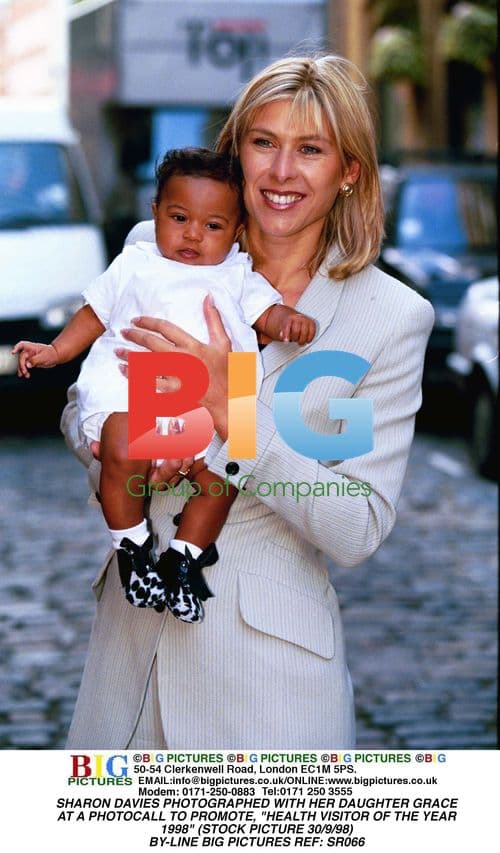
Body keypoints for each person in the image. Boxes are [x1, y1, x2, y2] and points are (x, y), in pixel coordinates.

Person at [61, 54, 434, 749]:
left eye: (311, 149)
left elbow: (356, 525)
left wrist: (230, 410)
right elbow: (86, 393)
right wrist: (123, 449)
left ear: (349, 171)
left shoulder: (387, 317)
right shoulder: (160, 248)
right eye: (264, 142)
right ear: (237, 152)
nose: (281, 171)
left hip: (268, 691)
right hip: (127, 672)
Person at [13, 148, 314, 624]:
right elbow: (93, 314)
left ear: (237, 231)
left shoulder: (237, 273)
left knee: (226, 473)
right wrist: (56, 351)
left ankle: (183, 558)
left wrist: (287, 321)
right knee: (122, 441)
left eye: (213, 225)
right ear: (155, 212)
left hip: (218, 409)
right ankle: (133, 549)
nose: (193, 234)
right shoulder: (135, 263)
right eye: (179, 218)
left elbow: (266, 313)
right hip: (133, 392)